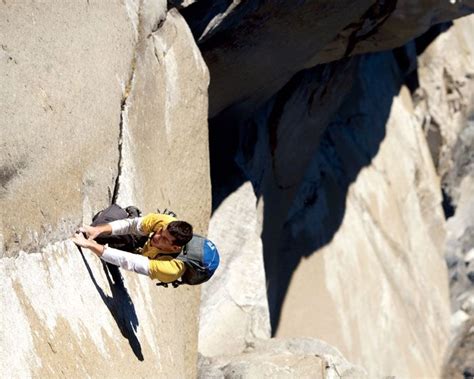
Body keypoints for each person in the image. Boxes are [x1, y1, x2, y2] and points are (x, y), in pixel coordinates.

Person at [71, 212, 193, 283]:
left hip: (150, 260)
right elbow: (131, 225)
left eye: (164, 239)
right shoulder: (165, 221)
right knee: (106, 219)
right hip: (143, 243)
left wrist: (90, 245)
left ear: (175, 248)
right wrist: (97, 230)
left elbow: (129, 261)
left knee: (112, 253)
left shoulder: (171, 269)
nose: (157, 236)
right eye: (161, 231)